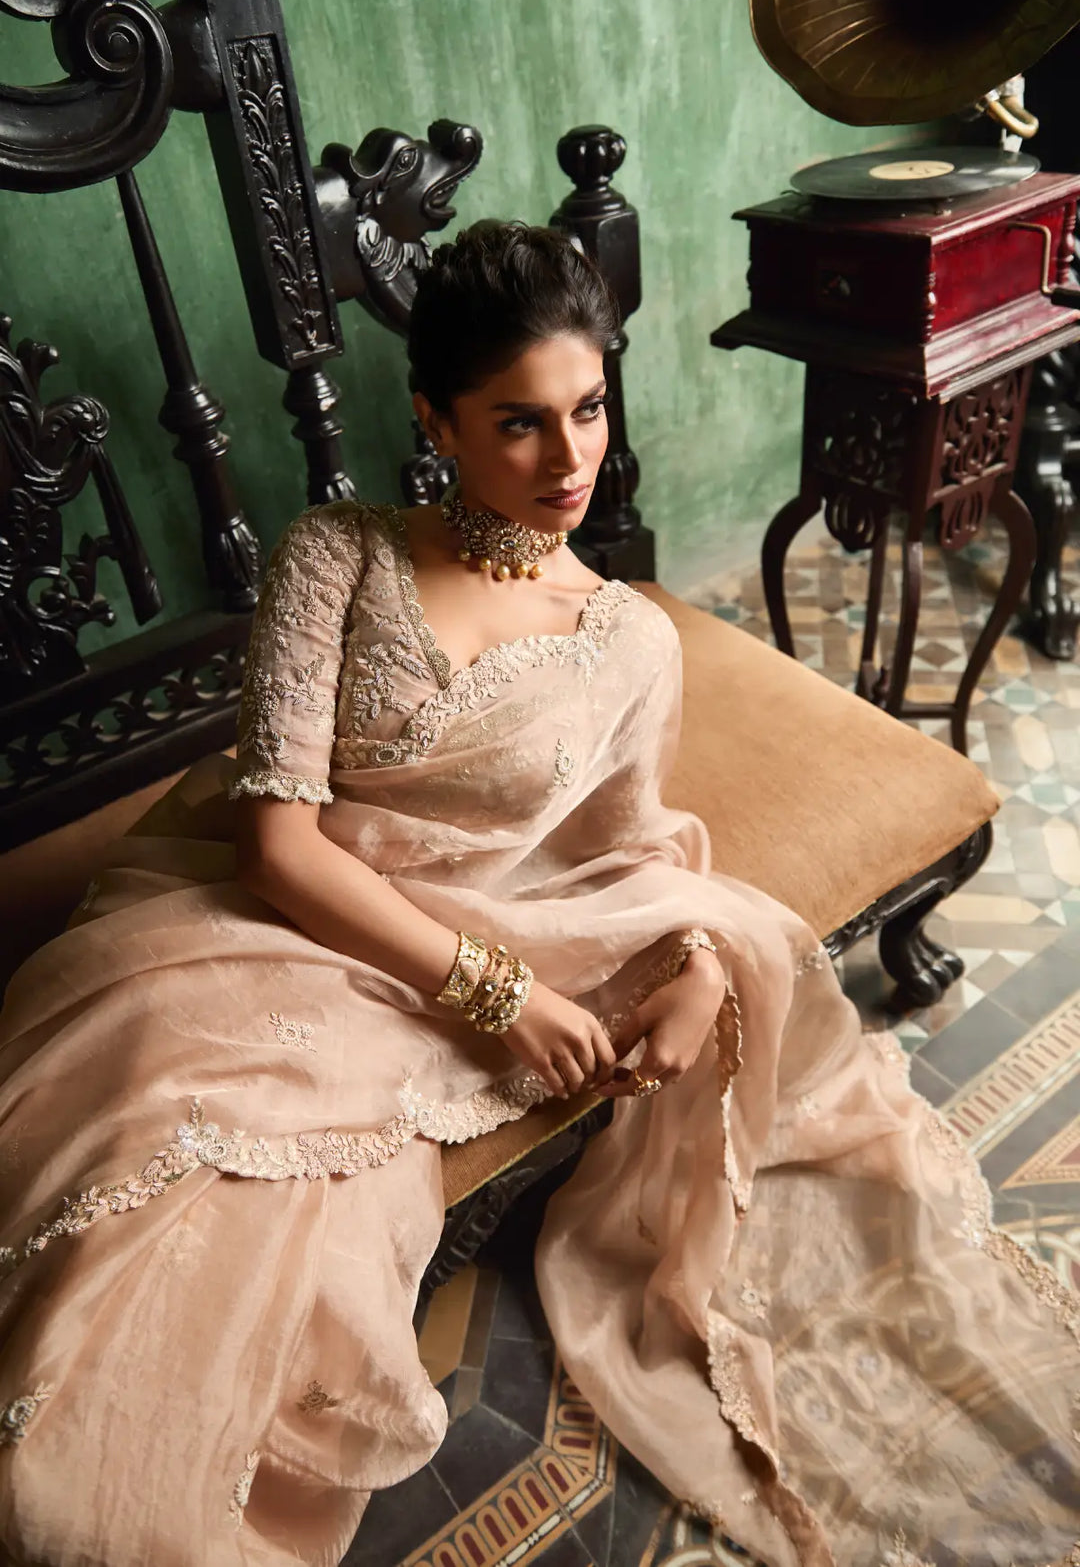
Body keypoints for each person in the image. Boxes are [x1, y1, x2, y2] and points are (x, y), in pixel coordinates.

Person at [0, 221, 1076, 1567]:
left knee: (310, 1271)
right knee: (140, 1157)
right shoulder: (338, 556)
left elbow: (626, 855)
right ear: (435, 419)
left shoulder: (624, 636)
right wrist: (496, 999)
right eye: (519, 424)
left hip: (503, 930)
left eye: (588, 409)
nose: (571, 461)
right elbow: (278, 845)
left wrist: (693, 969)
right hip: (288, 932)